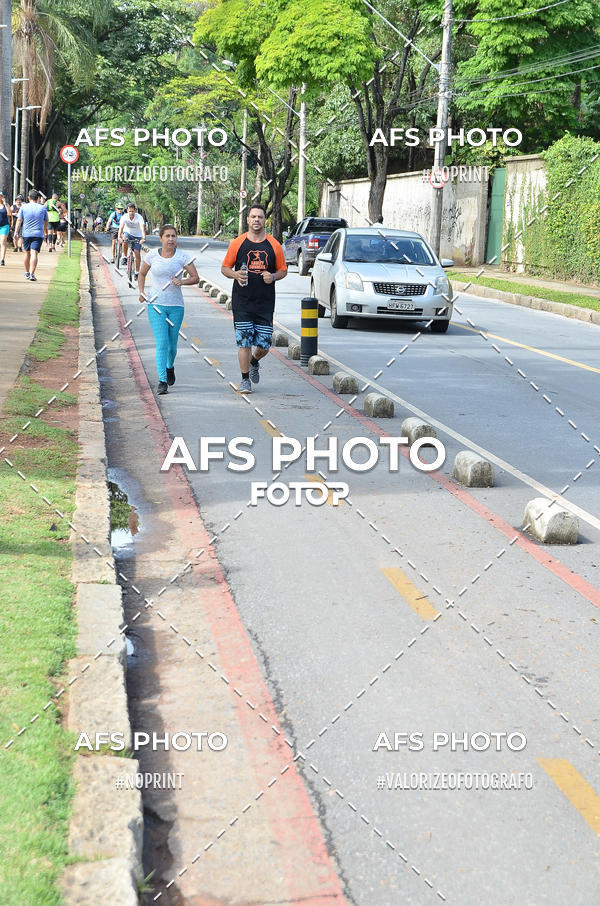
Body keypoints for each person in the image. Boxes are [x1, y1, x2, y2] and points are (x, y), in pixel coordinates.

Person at [221, 204, 287, 393]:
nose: (256, 219)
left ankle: (254, 361)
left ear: (265, 220)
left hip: (265, 303)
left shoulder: (274, 245)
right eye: (253, 216)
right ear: (248, 220)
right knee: (244, 342)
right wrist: (235, 275)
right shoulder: (237, 243)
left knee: (265, 344)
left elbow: (283, 270)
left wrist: (273, 276)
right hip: (242, 302)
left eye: (260, 217)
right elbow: (225, 268)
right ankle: (244, 379)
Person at [137, 224, 199, 395]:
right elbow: (141, 274)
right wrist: (142, 292)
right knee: (162, 343)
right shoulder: (152, 256)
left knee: (172, 346)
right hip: (156, 305)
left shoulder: (182, 257)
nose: (171, 239)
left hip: (176, 306)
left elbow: (195, 278)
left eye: (174, 236)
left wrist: (182, 282)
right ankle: (162, 380)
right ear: (161, 238)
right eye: (168, 236)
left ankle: (170, 366)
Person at [14, 188, 48, 281]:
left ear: (28, 198)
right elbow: (46, 221)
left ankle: (27, 272)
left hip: (26, 234)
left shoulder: (23, 207)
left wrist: (16, 232)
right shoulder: (42, 208)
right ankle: (32, 274)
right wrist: (43, 230)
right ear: (37, 198)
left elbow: (19, 220)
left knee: (27, 253)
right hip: (38, 234)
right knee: (34, 253)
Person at [118, 202, 146, 278]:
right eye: (129, 211)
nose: (131, 213)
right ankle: (124, 256)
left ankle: (137, 272)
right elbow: (121, 228)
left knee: (137, 253)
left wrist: (143, 238)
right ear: (127, 211)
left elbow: (142, 228)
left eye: (132, 211)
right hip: (128, 233)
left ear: (135, 211)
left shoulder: (139, 217)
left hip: (137, 235)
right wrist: (119, 237)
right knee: (125, 239)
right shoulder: (124, 217)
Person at [0, 191, 11, 265]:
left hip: (4, 226)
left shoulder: (6, 205)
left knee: (3, 241)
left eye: (1, 196)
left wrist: (5, 204)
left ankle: (2, 259)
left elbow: (9, 213)